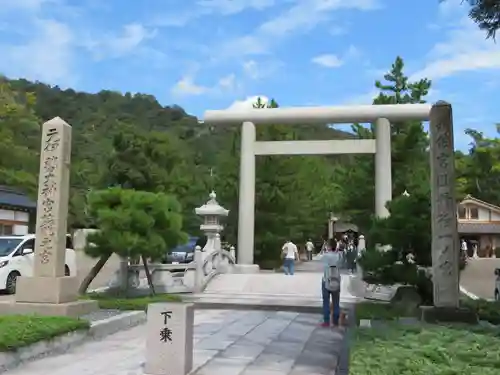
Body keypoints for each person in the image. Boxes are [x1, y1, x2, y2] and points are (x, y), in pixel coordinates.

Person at [318, 239, 342, 327]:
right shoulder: (339, 255)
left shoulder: (325, 255)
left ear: (328, 246)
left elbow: (319, 258)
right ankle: (335, 321)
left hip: (326, 280)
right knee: (336, 302)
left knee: (326, 302)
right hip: (336, 280)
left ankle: (326, 321)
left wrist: (323, 249)